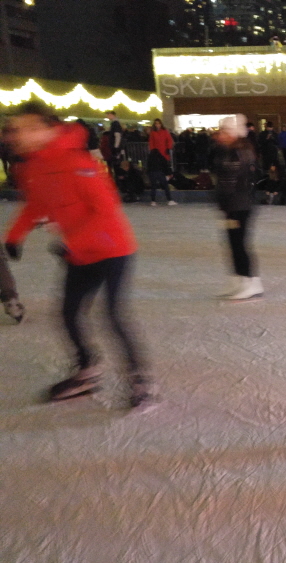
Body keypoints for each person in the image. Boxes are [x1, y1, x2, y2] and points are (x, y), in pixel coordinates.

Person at [4, 101, 152, 407]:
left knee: (112, 315)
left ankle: (141, 379)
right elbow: (35, 204)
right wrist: (15, 235)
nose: (19, 135)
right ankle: (87, 370)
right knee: (69, 314)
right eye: (16, 129)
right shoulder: (31, 166)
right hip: (78, 254)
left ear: (48, 129)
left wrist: (75, 242)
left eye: (29, 128)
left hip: (112, 249)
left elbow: (106, 209)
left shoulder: (77, 161)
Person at [214, 114, 263, 301]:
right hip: (236, 205)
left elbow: (229, 182)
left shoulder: (238, 153)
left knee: (239, 244)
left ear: (233, 134)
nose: (220, 135)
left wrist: (226, 206)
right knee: (234, 243)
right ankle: (239, 279)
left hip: (238, 206)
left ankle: (250, 281)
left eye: (224, 132)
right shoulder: (232, 150)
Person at [147, 118, 175, 206]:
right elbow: (151, 142)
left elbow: (169, 140)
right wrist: (153, 151)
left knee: (163, 171)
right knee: (161, 174)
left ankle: (157, 197)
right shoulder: (153, 133)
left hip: (163, 153)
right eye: (156, 124)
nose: (157, 125)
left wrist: (168, 148)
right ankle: (167, 196)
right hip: (157, 154)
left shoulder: (164, 131)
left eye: (158, 123)